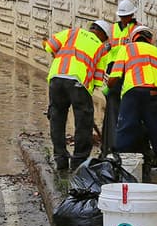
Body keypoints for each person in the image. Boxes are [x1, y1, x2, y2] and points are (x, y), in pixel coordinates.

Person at [43, 19, 112, 172]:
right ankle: (78, 161)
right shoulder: (101, 48)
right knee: (83, 123)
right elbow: (98, 79)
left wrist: (60, 58)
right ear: (103, 35)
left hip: (56, 79)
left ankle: (60, 159)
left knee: (57, 119)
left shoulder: (72, 32)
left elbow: (48, 45)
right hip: (79, 85)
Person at [114, 26, 157, 179]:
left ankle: (121, 165)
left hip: (132, 93)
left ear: (133, 38)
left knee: (126, 128)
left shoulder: (127, 49)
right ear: (149, 39)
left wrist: (109, 88)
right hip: (154, 94)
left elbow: (115, 76)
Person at [94, 0, 138, 154]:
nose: (124, 19)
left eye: (126, 16)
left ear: (132, 15)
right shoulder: (112, 29)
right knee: (112, 108)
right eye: (122, 16)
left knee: (128, 109)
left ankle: (125, 146)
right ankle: (111, 145)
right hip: (113, 71)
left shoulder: (137, 30)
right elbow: (106, 47)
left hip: (130, 70)